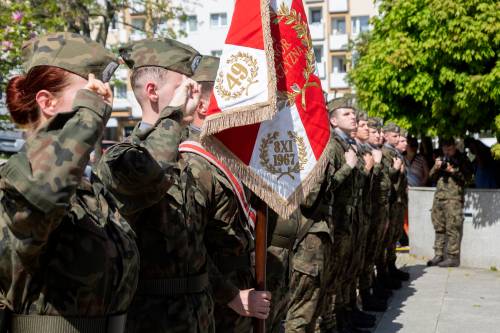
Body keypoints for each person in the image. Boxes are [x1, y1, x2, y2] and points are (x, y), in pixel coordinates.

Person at [0, 32, 139, 333]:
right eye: (89, 95)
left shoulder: (91, 186)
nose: (101, 105)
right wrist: (88, 117)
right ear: (47, 102)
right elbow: (44, 194)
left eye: (102, 97)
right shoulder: (21, 175)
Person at [96, 38, 214, 332]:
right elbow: (152, 169)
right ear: (152, 91)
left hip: (200, 315)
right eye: (184, 85)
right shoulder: (119, 158)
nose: (194, 92)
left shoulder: (191, 157)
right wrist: (173, 115)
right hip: (151, 320)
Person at [180, 55, 271, 332]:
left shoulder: (225, 155)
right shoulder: (193, 161)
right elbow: (188, 244)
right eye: (231, 100)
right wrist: (231, 296)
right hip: (217, 306)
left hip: (239, 298)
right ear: (204, 106)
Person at [427, 138, 473, 267]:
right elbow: (430, 177)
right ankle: (438, 254)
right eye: (445, 148)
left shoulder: (462, 159)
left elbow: (468, 179)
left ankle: (453, 257)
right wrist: (436, 168)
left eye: (450, 148)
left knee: (453, 228)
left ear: (455, 146)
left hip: (454, 199)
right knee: (438, 227)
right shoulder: (441, 159)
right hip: (439, 198)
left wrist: (453, 171)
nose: (447, 151)